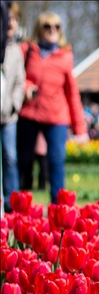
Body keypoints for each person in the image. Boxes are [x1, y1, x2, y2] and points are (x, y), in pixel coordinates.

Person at [17, 11, 86, 204]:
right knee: (24, 160)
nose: (52, 30)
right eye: (47, 26)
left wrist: (80, 128)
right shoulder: (27, 50)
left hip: (56, 116)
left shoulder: (65, 56)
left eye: (56, 26)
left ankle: (58, 207)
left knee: (56, 161)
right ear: (39, 28)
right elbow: (14, 76)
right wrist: (25, 87)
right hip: (29, 113)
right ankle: (19, 206)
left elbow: (72, 93)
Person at [1, 1, 23, 213]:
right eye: (6, 18)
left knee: (10, 156)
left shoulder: (17, 51)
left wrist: (14, 105)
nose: (10, 23)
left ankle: (11, 202)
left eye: (14, 19)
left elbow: (19, 82)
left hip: (9, 116)